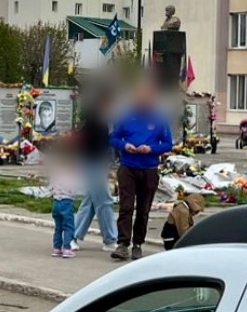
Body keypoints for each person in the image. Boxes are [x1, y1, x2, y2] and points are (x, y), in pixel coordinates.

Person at [109, 79, 174, 261]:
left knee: (143, 209)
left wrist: (150, 149)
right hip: (128, 167)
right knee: (126, 206)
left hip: (149, 169)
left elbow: (168, 144)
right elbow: (113, 139)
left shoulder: (159, 119)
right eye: (140, 99)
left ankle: (138, 244)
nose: (143, 102)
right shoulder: (126, 117)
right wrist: (125, 145)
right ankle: (123, 244)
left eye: (146, 99)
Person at [71, 91, 119, 252]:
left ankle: (72, 236)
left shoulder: (109, 121)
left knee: (91, 201)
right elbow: (86, 144)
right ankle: (110, 239)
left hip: (101, 163)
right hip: (92, 162)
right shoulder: (93, 121)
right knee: (105, 200)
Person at [49, 145, 78, 258]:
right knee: (68, 226)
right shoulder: (71, 177)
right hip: (67, 202)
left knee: (58, 227)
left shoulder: (56, 176)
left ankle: (56, 248)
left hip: (56, 202)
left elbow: (51, 188)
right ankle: (67, 248)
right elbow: (74, 190)